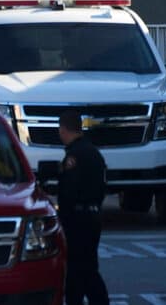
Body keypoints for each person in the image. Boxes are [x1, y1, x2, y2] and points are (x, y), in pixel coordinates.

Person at [57, 109, 109, 305]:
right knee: (85, 268)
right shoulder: (94, 153)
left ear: (64, 129)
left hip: (77, 221)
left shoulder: (73, 157)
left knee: (80, 270)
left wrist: (63, 219)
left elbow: (68, 193)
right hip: (94, 216)